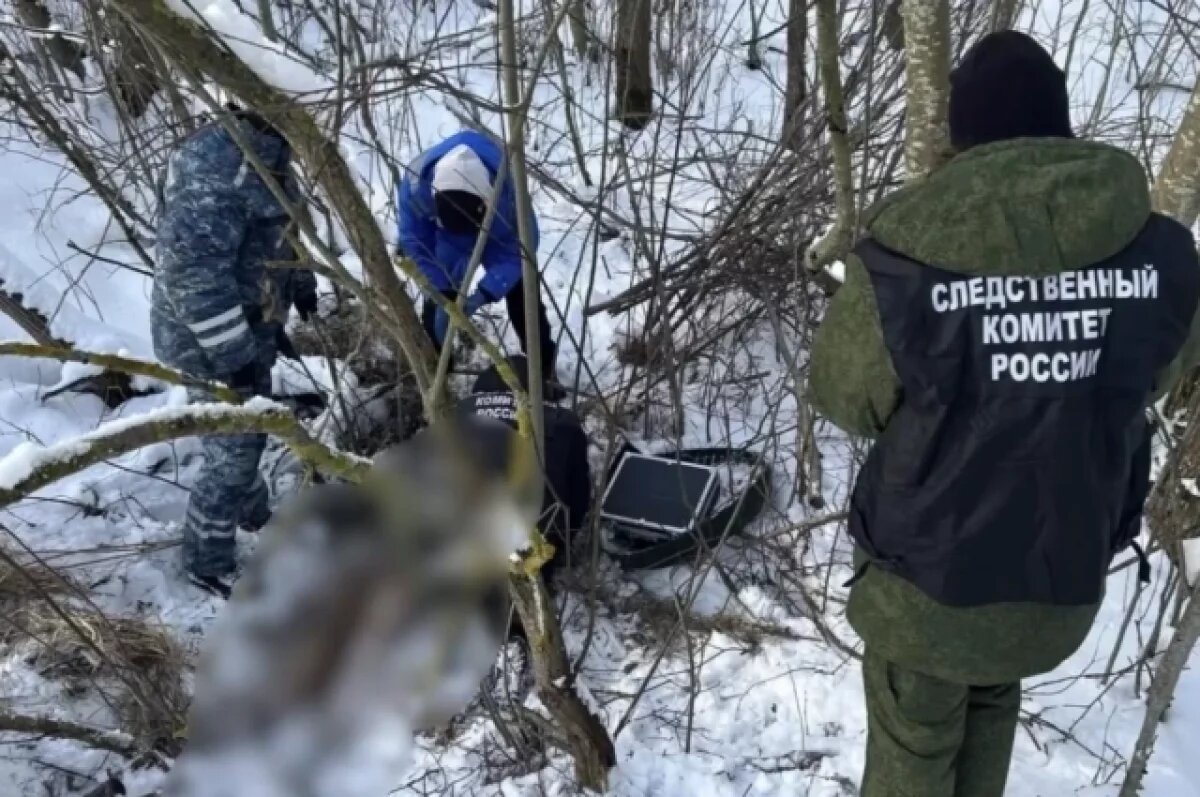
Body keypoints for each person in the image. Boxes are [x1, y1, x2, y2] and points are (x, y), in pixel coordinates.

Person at [809, 31, 1200, 797]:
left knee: (914, 750)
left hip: (926, 590)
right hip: (1054, 584)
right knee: (989, 696)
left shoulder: (909, 252)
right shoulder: (1151, 251)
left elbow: (843, 393)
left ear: (963, 136)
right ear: (1059, 127)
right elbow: (1164, 369)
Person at [152, 103, 317, 597]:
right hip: (204, 337)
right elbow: (192, 277)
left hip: (252, 323)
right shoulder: (217, 165)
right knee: (234, 450)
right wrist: (234, 354)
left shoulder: (270, 156)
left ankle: (250, 512)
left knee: (249, 430)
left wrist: (300, 284)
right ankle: (207, 560)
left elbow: (281, 230)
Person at [397, 131, 556, 380]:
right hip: (445, 235)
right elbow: (415, 242)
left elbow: (522, 250)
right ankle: (439, 376)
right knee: (436, 305)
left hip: (498, 231)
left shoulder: (510, 187)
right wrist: (440, 290)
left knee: (525, 297)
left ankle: (543, 369)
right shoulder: (416, 185)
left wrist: (486, 292)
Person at [460, 356, 591, 585]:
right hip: (534, 549)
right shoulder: (563, 425)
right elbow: (579, 498)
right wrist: (563, 545)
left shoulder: (449, 415)